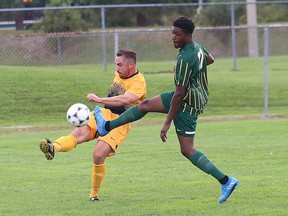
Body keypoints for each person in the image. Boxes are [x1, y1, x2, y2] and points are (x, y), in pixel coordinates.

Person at [94, 17, 238, 204]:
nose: (173, 37)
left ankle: (226, 181)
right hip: (193, 95)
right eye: (172, 33)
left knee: (187, 149)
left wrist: (167, 123)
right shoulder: (197, 47)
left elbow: (178, 96)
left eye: (177, 34)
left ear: (187, 35)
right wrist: (195, 72)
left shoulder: (184, 59)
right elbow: (210, 59)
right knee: (145, 105)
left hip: (187, 103)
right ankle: (107, 125)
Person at [39, 48, 147, 201]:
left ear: (131, 66)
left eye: (120, 65)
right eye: (115, 64)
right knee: (79, 133)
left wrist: (100, 99)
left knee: (98, 154)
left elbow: (126, 100)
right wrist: (103, 105)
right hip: (104, 113)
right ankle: (52, 147)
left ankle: (94, 193)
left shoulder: (139, 82)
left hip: (121, 121)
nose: (116, 69)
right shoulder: (121, 72)